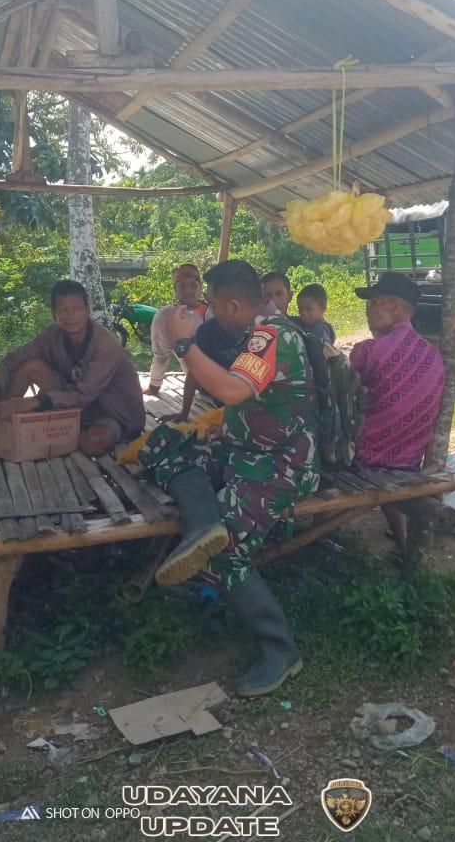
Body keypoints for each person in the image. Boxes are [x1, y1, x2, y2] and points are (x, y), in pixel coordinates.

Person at [139, 260, 320, 697]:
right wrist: (233, 428)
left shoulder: (271, 336)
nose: (212, 314)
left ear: (234, 304)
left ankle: (281, 650)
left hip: (282, 463)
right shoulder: (257, 332)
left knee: (227, 555)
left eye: (216, 307)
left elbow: (233, 390)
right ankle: (204, 528)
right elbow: (249, 398)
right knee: (162, 446)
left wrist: (185, 344)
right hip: (248, 447)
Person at [350, 272, 446, 554]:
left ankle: (315, 537)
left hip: (366, 459)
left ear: (393, 307)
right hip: (409, 461)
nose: (367, 310)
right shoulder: (434, 356)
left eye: (373, 303)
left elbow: (341, 395)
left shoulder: (367, 352)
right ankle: (404, 544)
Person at [0, 280, 145, 455]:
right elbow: (13, 360)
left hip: (111, 411)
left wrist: (34, 402)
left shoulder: (106, 344)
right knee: (30, 367)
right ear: (54, 314)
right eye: (64, 310)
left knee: (92, 443)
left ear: (88, 310)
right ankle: (2, 419)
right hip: (69, 399)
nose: (70, 316)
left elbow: (83, 395)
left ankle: (54, 430)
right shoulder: (51, 335)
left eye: (77, 309)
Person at [146, 264, 208, 396]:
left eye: (193, 285)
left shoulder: (215, 312)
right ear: (175, 289)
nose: (188, 290)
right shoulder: (164, 317)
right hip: (200, 385)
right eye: (182, 286)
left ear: (201, 287)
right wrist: (154, 387)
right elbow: (161, 356)